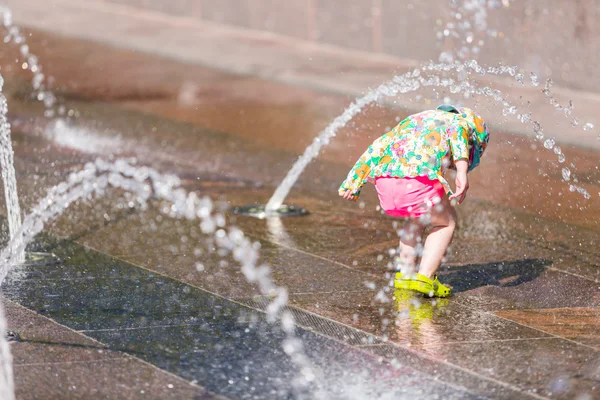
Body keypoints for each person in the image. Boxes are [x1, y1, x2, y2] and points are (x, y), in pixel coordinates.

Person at [338, 105, 489, 297]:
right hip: (417, 181)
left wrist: (353, 182)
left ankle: (405, 274)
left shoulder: (413, 120)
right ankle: (425, 277)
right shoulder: (459, 122)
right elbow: (459, 139)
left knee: (417, 219)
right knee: (446, 222)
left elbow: (377, 147)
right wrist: (461, 172)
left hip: (385, 184)